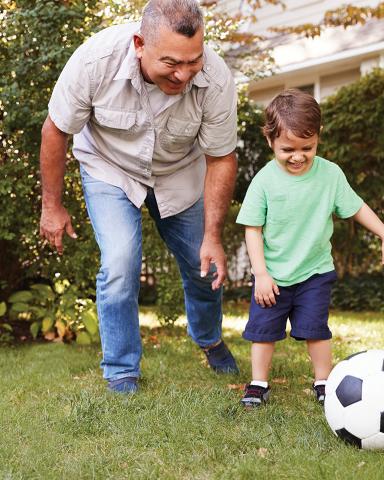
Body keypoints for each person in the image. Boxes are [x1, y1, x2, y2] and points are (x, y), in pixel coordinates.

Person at [39, 0, 240, 394]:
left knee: (206, 268)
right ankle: (121, 370)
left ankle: (209, 338)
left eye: (193, 61)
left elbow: (221, 158)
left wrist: (213, 236)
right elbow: (56, 130)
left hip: (179, 173)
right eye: (170, 63)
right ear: (139, 44)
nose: (183, 75)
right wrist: (52, 206)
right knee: (119, 262)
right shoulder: (95, 60)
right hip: (108, 168)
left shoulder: (215, 79)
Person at [236, 89, 384, 407]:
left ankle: (324, 382)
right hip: (273, 275)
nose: (298, 156)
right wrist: (261, 274)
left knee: (316, 330)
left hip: (315, 271)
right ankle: (258, 383)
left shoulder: (330, 174)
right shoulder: (265, 181)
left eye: (306, 148)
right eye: (287, 149)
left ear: (318, 138)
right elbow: (252, 229)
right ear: (270, 141)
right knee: (263, 331)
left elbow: (356, 207)